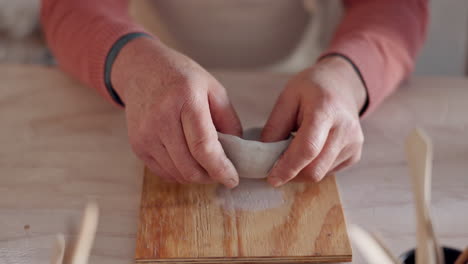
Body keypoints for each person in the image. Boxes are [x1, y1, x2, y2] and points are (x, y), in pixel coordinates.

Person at [40, 0, 428, 188]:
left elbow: (395, 6)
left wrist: (350, 75)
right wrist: (130, 64)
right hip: (148, 69)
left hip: (305, 71)